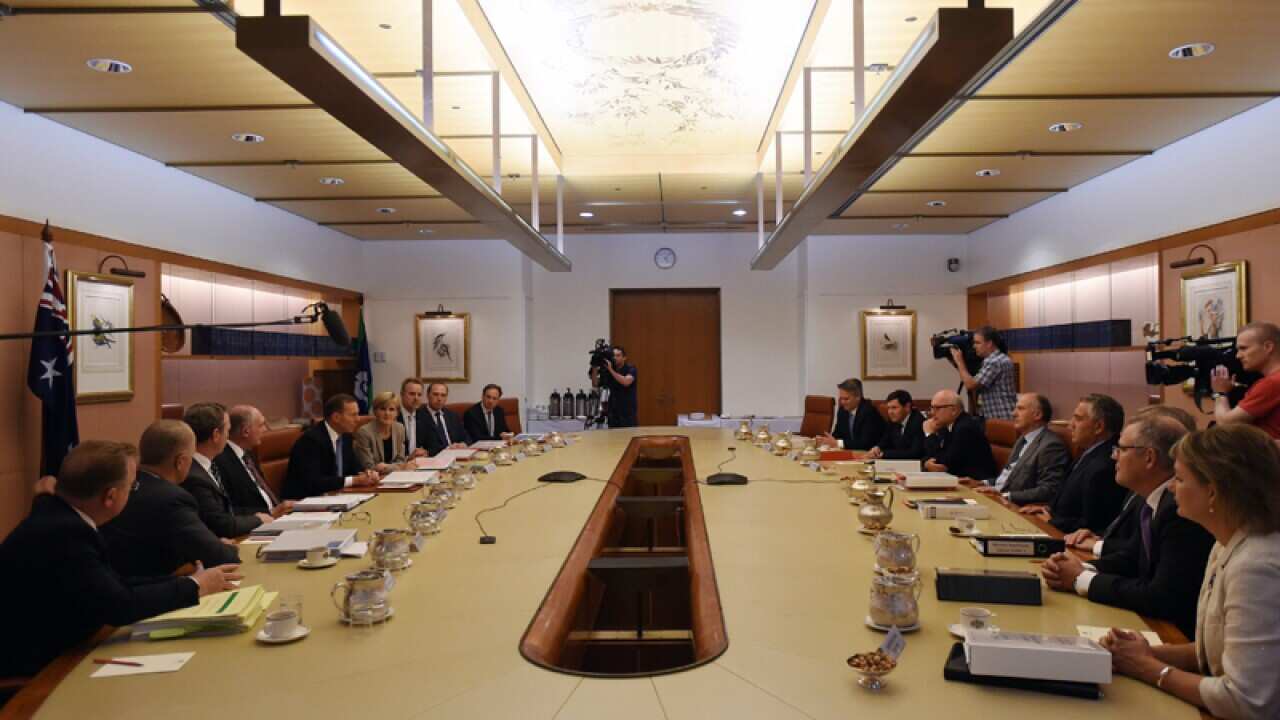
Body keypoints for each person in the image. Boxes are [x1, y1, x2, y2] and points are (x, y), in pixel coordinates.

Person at [0, 441, 240, 678]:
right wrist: (197, 586)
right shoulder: (66, 533)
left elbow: (115, 584)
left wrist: (192, 582)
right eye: (132, 486)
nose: (134, 490)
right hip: (40, 667)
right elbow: (120, 605)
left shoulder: (59, 514)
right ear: (111, 496)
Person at [1102, 424, 1280, 720]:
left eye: (1180, 479)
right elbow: (1219, 650)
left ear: (1213, 491)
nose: (1171, 487)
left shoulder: (1256, 566)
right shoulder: (1226, 543)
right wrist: (1145, 653)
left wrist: (1148, 668)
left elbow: (1246, 701)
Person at [1040, 414, 1214, 639]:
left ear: (1149, 458)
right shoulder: (1148, 499)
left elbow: (1163, 597)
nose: (1114, 457)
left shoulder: (1179, 509)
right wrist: (1080, 567)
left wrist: (1079, 579)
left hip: (1177, 636)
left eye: (1121, 449)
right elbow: (1131, 558)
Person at [102, 420, 241, 577]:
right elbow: (221, 557)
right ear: (180, 462)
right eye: (192, 457)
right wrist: (225, 548)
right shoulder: (171, 498)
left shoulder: (126, 486)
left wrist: (210, 545)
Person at [1064, 404, 1197, 554]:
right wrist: (1098, 539)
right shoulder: (1144, 490)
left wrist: (1098, 547)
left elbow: (1140, 557)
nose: (1114, 456)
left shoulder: (1177, 505)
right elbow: (1133, 548)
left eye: (1123, 449)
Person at [1022, 393, 1128, 534]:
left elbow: (1093, 525)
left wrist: (1051, 521)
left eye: (1078, 419)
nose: (1070, 424)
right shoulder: (1090, 451)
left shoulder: (1105, 466)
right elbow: (1069, 498)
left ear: (1098, 427)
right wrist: (1047, 509)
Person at [182, 402, 270, 537]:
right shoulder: (195, 475)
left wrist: (257, 516)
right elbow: (220, 524)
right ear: (216, 435)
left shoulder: (208, 466)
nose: (228, 437)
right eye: (227, 431)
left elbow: (226, 511)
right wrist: (257, 519)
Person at [974, 393, 1069, 506]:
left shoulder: (1051, 446)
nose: (1013, 414)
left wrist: (1006, 496)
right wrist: (981, 483)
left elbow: (1048, 490)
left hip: (1014, 506)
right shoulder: (1022, 439)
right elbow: (1008, 478)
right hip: (996, 498)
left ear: (1037, 415)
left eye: (1020, 409)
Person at [282, 394, 379, 499]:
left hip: (337, 496)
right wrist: (355, 480)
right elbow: (314, 482)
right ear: (336, 417)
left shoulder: (346, 437)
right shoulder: (311, 441)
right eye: (353, 415)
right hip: (306, 501)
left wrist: (367, 474)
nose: (358, 419)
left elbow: (354, 468)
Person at [214, 405, 291, 516]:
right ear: (246, 431)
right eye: (261, 425)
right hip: (256, 524)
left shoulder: (246, 454)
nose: (266, 429)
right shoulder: (221, 462)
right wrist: (269, 513)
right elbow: (229, 509)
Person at [1211, 321, 1280, 441]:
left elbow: (1225, 425)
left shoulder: (1272, 382)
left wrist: (1220, 393)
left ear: (1268, 347)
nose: (1238, 356)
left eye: (1243, 348)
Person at [922, 389, 998, 481]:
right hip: (956, 479)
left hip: (976, 484)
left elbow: (945, 463)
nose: (932, 413)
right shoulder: (947, 425)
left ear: (953, 410)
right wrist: (926, 463)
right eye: (932, 408)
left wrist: (929, 434)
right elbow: (932, 456)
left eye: (937, 408)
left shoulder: (965, 428)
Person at [950, 325, 1016, 420]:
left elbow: (970, 384)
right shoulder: (999, 358)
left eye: (977, 343)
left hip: (1001, 417)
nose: (974, 346)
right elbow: (972, 381)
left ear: (989, 343)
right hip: (1001, 415)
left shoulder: (994, 361)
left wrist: (959, 361)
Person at [818, 378, 887, 452]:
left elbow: (865, 444)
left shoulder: (869, 411)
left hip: (871, 455)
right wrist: (827, 441)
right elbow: (838, 434)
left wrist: (838, 443)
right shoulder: (843, 410)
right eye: (841, 398)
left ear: (858, 397)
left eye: (846, 399)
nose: (842, 402)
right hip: (852, 453)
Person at [354, 391, 409, 474]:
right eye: (382, 409)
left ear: (397, 413)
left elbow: (400, 460)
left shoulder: (399, 428)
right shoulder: (364, 432)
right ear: (375, 411)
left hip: (394, 477)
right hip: (371, 480)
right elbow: (369, 467)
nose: (387, 413)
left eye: (391, 409)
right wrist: (399, 467)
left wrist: (386, 467)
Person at [866, 390, 926, 461]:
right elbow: (885, 440)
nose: (890, 412)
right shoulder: (893, 421)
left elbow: (914, 453)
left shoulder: (919, 422)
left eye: (894, 408)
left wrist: (883, 454)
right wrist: (877, 448)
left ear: (907, 407)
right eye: (888, 408)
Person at [422, 383, 471, 455]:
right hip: (435, 458)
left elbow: (467, 437)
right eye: (435, 394)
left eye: (443, 395)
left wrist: (464, 444)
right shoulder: (419, 416)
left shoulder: (452, 415)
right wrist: (448, 449)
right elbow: (427, 446)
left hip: (456, 456)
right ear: (428, 395)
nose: (439, 398)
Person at [597, 345, 638, 428]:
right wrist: (594, 367)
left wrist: (611, 370)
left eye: (618, 355)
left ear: (624, 357)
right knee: (613, 440)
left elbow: (626, 382)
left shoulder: (631, 369)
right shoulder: (609, 370)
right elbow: (595, 384)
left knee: (628, 439)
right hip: (613, 414)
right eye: (613, 356)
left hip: (627, 414)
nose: (615, 358)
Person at [396, 377, 430, 459]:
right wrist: (408, 458)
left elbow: (432, 443)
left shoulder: (425, 415)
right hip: (400, 465)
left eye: (419, 394)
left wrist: (426, 452)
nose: (416, 398)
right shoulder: (393, 415)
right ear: (402, 394)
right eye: (412, 394)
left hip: (421, 462)